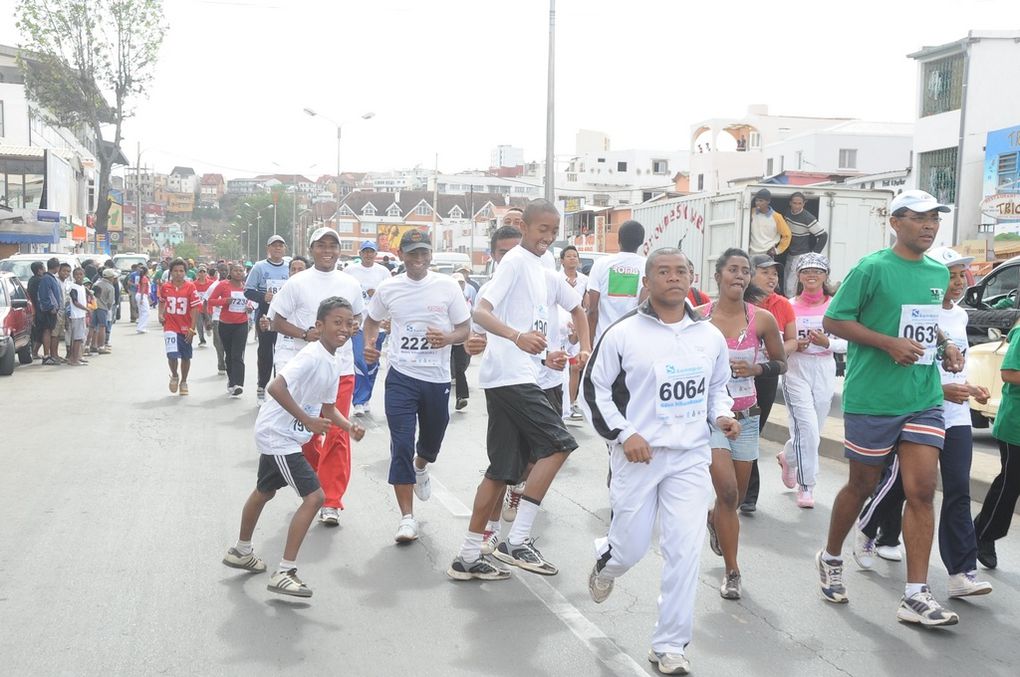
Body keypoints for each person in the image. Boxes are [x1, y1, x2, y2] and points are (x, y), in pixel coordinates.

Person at [584, 248, 739, 677]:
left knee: (683, 551)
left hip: (690, 457)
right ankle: (607, 560)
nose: (673, 278)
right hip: (638, 457)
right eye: (663, 272)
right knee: (630, 547)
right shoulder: (622, 333)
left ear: (691, 278)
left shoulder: (708, 337)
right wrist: (625, 434)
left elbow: (717, 388)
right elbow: (593, 391)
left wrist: (722, 415)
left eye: (681, 271)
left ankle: (670, 645)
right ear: (647, 282)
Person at [817, 189, 964, 627]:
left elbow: (927, 323)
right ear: (895, 222)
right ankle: (830, 555)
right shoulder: (872, 268)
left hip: (922, 396)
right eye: (919, 218)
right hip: (874, 398)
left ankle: (916, 594)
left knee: (921, 490)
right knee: (861, 484)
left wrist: (948, 345)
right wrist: (888, 343)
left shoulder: (937, 271)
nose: (929, 225)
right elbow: (833, 320)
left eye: (934, 218)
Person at [447, 199, 590, 581]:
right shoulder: (514, 262)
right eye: (541, 229)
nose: (547, 237)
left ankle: (467, 556)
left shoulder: (541, 269)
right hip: (510, 378)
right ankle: (518, 539)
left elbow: (542, 324)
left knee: (501, 471)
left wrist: (544, 357)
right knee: (560, 444)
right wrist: (516, 336)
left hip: (513, 374)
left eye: (553, 231)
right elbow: (480, 310)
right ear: (525, 227)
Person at [852, 246, 993, 599]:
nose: (958, 283)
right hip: (920, 409)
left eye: (963, 276)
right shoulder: (914, 313)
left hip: (956, 417)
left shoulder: (959, 317)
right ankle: (869, 526)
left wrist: (968, 386)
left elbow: (951, 362)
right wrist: (943, 390)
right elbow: (909, 369)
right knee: (906, 487)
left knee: (959, 490)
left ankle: (961, 573)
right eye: (951, 276)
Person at [222, 296, 366, 598]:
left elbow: (328, 408)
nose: (344, 328)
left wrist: (348, 426)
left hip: (286, 433)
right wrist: (307, 421)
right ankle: (285, 571)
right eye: (336, 322)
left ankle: (241, 551)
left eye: (349, 323)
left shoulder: (334, 358)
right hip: (280, 435)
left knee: (265, 490)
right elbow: (276, 387)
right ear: (319, 325)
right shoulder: (312, 355)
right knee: (315, 498)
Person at [362, 230, 472, 542]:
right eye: (413, 254)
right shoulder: (389, 288)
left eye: (424, 253)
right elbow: (371, 320)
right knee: (400, 443)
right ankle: (406, 518)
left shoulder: (447, 287)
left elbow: (465, 328)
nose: (419, 260)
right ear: (402, 255)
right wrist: (370, 343)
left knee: (431, 443)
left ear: (431, 255)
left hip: (436, 379)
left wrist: (447, 338)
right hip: (401, 376)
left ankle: (422, 466)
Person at [698, 248, 786, 600]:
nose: (739, 275)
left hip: (747, 418)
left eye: (744, 271)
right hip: (711, 419)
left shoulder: (762, 319)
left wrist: (757, 369)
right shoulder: (699, 319)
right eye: (732, 269)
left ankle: (715, 518)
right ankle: (732, 571)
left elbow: (782, 362)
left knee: (730, 502)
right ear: (718, 275)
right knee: (729, 492)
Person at [269, 226, 364, 527]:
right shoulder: (297, 283)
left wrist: (354, 326)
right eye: (321, 245)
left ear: (339, 250)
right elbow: (275, 320)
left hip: (342, 369)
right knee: (308, 435)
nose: (327, 250)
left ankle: (332, 500)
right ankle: (315, 487)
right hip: (307, 371)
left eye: (333, 245)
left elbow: (358, 316)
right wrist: (305, 334)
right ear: (311, 250)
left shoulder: (350, 282)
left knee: (337, 434)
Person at [778, 254, 846, 508]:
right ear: (799, 276)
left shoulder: (836, 306)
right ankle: (806, 487)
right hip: (796, 368)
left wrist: (827, 342)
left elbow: (849, 341)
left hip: (825, 368)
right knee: (806, 429)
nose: (812, 276)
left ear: (825, 276)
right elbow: (777, 338)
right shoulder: (788, 305)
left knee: (813, 431)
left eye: (817, 271)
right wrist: (795, 344)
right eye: (806, 271)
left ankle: (788, 457)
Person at [739, 254, 798, 513]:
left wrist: (774, 352)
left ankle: (747, 492)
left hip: (766, 375)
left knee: (752, 431)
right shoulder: (737, 303)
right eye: (765, 272)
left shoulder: (783, 305)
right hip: (736, 376)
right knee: (733, 432)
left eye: (775, 273)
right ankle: (742, 490)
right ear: (750, 275)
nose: (772, 277)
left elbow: (793, 340)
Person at [974, 273, 1020, 571]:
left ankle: (979, 530)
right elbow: (1009, 373)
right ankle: (982, 535)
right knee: (1010, 485)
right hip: (1015, 426)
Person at [345, 240, 392, 416]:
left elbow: (391, 297)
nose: (368, 255)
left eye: (371, 251)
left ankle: (366, 398)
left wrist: (389, 320)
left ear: (375, 253)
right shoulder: (350, 271)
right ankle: (358, 400)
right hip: (358, 324)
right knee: (359, 359)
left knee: (371, 362)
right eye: (365, 251)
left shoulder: (383, 272)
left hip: (378, 325)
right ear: (360, 253)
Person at [245, 235, 290, 406]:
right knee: (265, 352)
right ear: (268, 248)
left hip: (285, 315)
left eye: (280, 246)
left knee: (283, 352)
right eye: (274, 246)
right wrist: (264, 296)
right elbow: (248, 291)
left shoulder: (289, 267)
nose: (278, 249)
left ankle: (280, 389)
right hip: (265, 313)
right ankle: (262, 387)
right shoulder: (259, 267)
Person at [586, 220, 646, 342]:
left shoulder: (601, 264)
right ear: (641, 242)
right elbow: (644, 307)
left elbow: (592, 310)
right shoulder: (647, 266)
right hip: (632, 341)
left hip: (603, 340)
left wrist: (590, 345)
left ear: (619, 239)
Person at [158, 258, 201, 396]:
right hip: (170, 326)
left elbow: (195, 309)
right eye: (175, 271)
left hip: (185, 326)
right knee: (171, 355)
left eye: (181, 271)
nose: (178, 273)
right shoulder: (165, 287)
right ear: (170, 272)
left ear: (185, 272)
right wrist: (160, 314)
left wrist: (192, 328)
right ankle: (174, 375)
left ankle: (184, 381)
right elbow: (162, 302)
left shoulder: (191, 287)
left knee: (186, 357)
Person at [208, 263, 251, 398]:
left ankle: (238, 384)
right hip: (225, 324)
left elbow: (252, 301)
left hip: (241, 324)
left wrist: (250, 307)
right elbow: (211, 301)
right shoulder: (223, 285)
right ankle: (231, 381)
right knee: (228, 354)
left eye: (241, 270)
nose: (238, 273)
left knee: (238, 355)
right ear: (230, 273)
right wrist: (225, 301)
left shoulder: (247, 287)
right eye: (235, 270)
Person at [560, 245, 588, 420]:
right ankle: (561, 404)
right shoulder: (557, 278)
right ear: (562, 260)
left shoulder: (585, 280)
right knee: (561, 366)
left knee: (575, 366)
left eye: (575, 256)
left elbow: (587, 304)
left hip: (577, 325)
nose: (572, 259)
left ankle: (571, 402)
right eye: (569, 256)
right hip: (562, 326)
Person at [783, 192, 828, 297]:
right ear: (790, 203)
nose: (797, 206)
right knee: (786, 279)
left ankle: (791, 307)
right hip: (790, 252)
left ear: (804, 204)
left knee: (791, 283)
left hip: (801, 254)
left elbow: (823, 236)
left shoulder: (808, 218)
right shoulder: (787, 213)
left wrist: (813, 255)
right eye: (795, 203)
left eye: (800, 203)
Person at [747, 188, 791, 259]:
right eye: (756, 200)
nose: (757, 203)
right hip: (751, 253)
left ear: (768, 201)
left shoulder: (777, 217)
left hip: (767, 254)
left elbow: (787, 235)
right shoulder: (751, 212)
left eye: (761, 201)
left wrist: (778, 250)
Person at [450, 273, 473, 410]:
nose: (460, 286)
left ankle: (461, 397)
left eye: (462, 283)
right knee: (444, 368)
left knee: (460, 369)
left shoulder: (467, 301)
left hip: (461, 340)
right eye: (457, 283)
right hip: (446, 339)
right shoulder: (446, 298)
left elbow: (471, 320)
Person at [37, 257, 63, 365]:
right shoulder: (47, 278)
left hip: (52, 310)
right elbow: (44, 296)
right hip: (48, 311)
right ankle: (46, 356)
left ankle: (51, 355)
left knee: (50, 332)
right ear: (57, 267)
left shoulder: (51, 278)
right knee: (47, 332)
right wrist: (50, 308)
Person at [66, 267, 90, 366]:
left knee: (79, 338)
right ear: (73, 276)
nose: (79, 276)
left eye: (81, 274)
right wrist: (86, 309)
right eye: (76, 274)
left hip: (81, 315)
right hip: (76, 315)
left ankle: (76, 357)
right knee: (77, 338)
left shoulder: (82, 287)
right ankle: (74, 359)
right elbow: (75, 302)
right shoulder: (73, 287)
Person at [93, 269, 117, 355]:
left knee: (93, 327)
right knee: (102, 327)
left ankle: (92, 345)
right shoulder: (110, 287)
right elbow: (110, 301)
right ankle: (101, 346)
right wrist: (108, 308)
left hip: (94, 307)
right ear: (110, 277)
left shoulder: (97, 283)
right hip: (103, 308)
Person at [26, 261, 45, 360]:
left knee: (37, 332)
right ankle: (34, 352)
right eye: (43, 268)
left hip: (34, 309)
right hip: (38, 310)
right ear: (39, 270)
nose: (45, 270)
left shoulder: (32, 280)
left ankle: (34, 351)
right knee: (41, 332)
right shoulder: (39, 281)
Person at [193, 266, 214, 346]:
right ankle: (202, 340)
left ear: (206, 273)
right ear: (198, 274)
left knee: (209, 323)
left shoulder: (211, 283)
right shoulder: (193, 284)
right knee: (199, 324)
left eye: (204, 272)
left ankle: (208, 328)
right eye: (200, 272)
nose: (202, 274)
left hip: (208, 307)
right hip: (198, 308)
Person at [136, 264, 151, 333]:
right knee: (146, 312)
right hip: (142, 295)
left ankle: (140, 327)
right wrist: (142, 299)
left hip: (140, 295)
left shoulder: (141, 277)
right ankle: (142, 327)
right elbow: (143, 289)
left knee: (142, 312)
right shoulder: (144, 278)